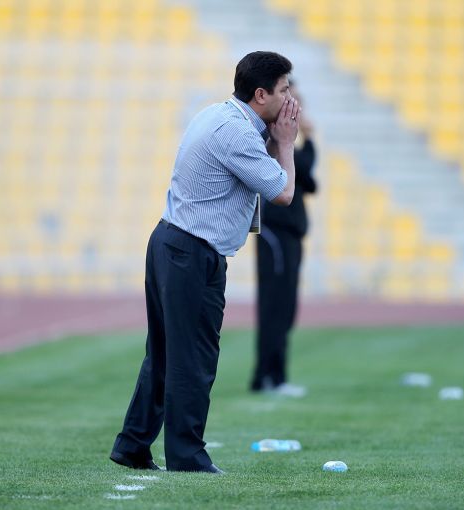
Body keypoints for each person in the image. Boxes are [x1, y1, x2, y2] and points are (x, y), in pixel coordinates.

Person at [109, 51, 300, 474]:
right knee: (193, 358)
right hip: (191, 252)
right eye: (284, 90)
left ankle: (133, 444)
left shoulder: (221, 116)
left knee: (164, 355)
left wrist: (275, 138)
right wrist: (287, 142)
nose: (290, 99)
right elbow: (282, 191)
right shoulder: (236, 133)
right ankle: (187, 456)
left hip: (174, 244)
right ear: (261, 95)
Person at [250, 82, 317, 398]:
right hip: (275, 233)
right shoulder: (274, 140)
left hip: (287, 234)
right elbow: (303, 168)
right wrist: (309, 137)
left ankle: (272, 375)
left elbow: (307, 179)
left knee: (284, 307)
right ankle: (269, 376)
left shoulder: (284, 144)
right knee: (275, 306)